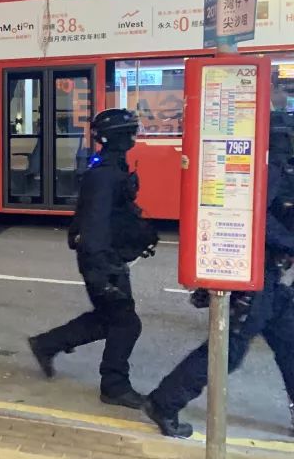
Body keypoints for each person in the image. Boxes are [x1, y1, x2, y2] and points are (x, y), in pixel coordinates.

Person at [143, 111, 294, 438]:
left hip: (270, 278)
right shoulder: (275, 168)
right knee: (229, 351)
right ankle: (165, 402)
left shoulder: (275, 166)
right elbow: (256, 216)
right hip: (255, 277)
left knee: (289, 344)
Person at [27, 109, 158, 409]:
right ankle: (114, 386)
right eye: (131, 132)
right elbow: (94, 226)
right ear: (119, 137)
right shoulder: (104, 175)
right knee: (126, 323)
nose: (134, 138)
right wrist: (103, 274)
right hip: (102, 262)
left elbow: (111, 218)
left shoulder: (112, 169)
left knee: (107, 319)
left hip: (105, 258)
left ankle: (46, 344)